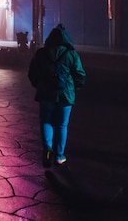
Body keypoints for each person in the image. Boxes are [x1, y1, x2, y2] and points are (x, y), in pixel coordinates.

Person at [28, 24, 86, 167]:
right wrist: (73, 89)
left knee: (46, 122)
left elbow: (32, 74)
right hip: (65, 96)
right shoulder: (71, 54)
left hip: (46, 94)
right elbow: (80, 75)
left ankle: (47, 150)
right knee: (61, 125)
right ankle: (59, 156)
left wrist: (40, 86)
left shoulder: (41, 53)